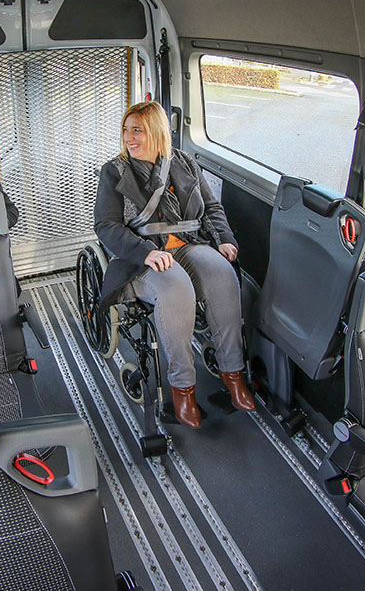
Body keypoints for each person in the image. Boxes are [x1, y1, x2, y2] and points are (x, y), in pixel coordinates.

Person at [94, 101, 255, 429]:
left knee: (224, 276)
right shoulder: (115, 171)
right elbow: (106, 226)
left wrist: (224, 239)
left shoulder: (183, 162)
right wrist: (145, 252)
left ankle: (233, 373)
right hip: (141, 257)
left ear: (156, 131)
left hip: (188, 244)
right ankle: (183, 389)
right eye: (126, 130)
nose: (129, 137)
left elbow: (211, 207)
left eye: (137, 130)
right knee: (177, 289)